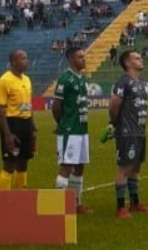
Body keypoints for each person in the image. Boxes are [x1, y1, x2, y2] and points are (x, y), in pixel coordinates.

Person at [109, 50, 148, 218]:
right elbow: (114, 104)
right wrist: (114, 123)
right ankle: (121, 207)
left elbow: (147, 100)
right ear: (128, 63)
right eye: (136, 58)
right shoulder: (123, 82)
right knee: (124, 168)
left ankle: (135, 203)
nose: (140, 59)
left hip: (140, 130)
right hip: (127, 131)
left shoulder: (142, 82)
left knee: (136, 167)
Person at [52, 47, 90, 213]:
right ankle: (59, 205)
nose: (84, 59)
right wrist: (63, 124)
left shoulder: (82, 79)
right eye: (80, 57)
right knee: (66, 166)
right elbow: (56, 106)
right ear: (71, 59)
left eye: (84, 56)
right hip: (70, 130)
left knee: (80, 166)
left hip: (82, 130)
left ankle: (76, 203)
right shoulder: (65, 79)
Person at [0, 50, 36, 190]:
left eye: (26, 58)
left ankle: (20, 195)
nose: (27, 61)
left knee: (24, 161)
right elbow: (0, 108)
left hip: (26, 123)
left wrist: (33, 127)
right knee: (9, 163)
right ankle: (4, 199)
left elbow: (29, 105)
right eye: (23, 58)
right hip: (12, 123)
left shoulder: (27, 79)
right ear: (14, 62)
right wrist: (7, 134)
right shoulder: (4, 80)